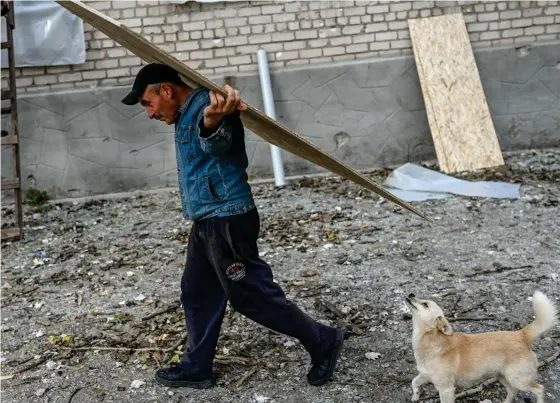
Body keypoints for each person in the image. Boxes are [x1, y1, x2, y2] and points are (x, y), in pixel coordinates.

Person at [121, 63, 344, 389]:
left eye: (147, 103)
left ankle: (322, 340)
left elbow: (218, 142)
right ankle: (197, 366)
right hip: (207, 219)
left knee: (251, 295)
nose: (149, 113)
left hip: (227, 219)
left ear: (166, 90)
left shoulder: (209, 107)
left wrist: (212, 121)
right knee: (197, 293)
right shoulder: (186, 111)